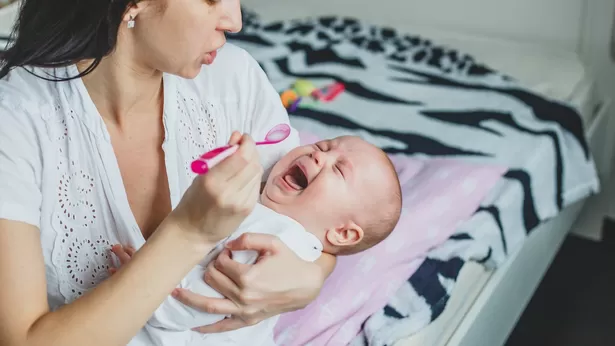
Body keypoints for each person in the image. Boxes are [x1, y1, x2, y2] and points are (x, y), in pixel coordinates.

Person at [0, 1, 337, 345]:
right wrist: (190, 232)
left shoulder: (235, 78)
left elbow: (320, 220)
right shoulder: (13, 124)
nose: (235, 21)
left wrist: (314, 276)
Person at [111, 136, 403, 345]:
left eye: (338, 169)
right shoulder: (265, 210)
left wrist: (138, 276)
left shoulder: (277, 239)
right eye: (322, 146)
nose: (318, 155)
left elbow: (190, 304)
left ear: (342, 233)